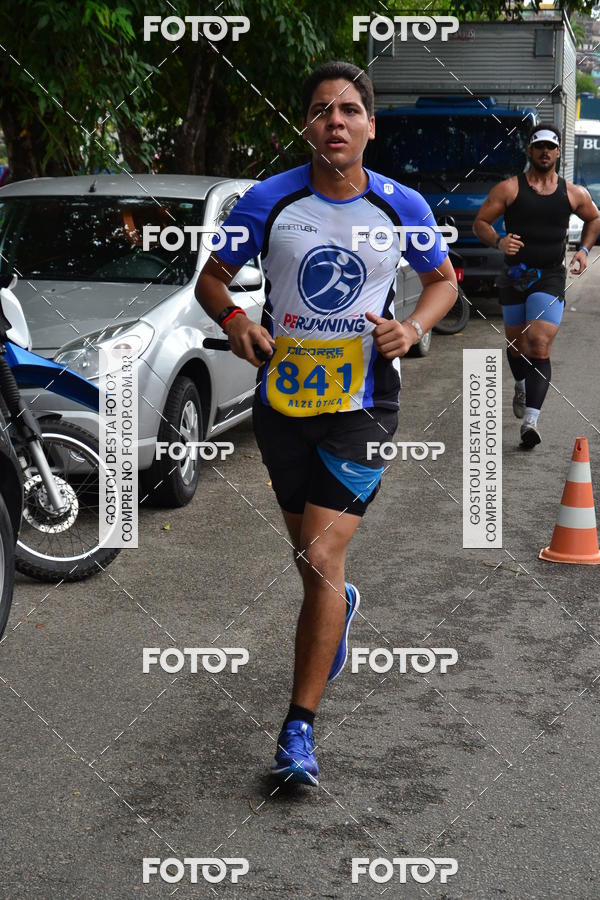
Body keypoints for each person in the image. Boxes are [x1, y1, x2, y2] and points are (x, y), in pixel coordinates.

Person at [195, 61, 457, 785]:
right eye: (320, 110)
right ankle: (338, 607)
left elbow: (443, 282)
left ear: (370, 125)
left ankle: (297, 733)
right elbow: (211, 280)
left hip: (363, 408)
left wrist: (411, 327)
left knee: (318, 559)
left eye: (348, 110)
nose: (334, 121)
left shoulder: (402, 205)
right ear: (307, 126)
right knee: (313, 566)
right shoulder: (268, 200)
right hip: (283, 408)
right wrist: (235, 320)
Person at [473, 124, 600, 448]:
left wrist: (584, 250)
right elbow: (480, 223)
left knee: (539, 344)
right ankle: (521, 384)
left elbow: (594, 218)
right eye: (539, 146)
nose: (545, 152)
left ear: (558, 152)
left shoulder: (573, 193)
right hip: (515, 275)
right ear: (530, 150)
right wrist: (499, 241)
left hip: (550, 275)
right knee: (517, 345)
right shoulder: (509, 189)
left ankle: (530, 421)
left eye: (551, 147)